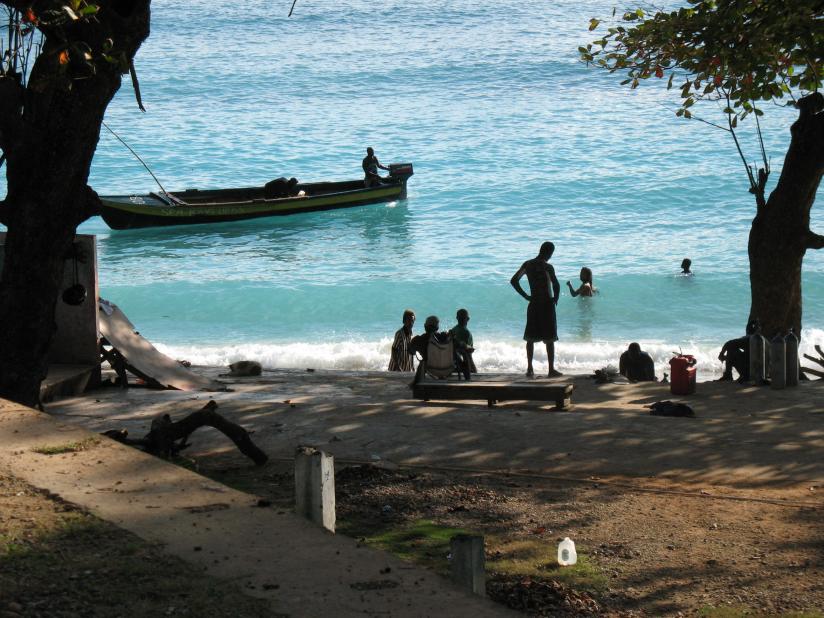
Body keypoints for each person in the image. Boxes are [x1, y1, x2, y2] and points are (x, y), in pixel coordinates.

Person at [511, 241, 562, 378]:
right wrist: (555, 298)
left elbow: (514, 280)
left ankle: (530, 369)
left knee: (530, 338)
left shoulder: (528, 264)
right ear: (550, 253)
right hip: (546, 304)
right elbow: (556, 284)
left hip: (533, 303)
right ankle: (551, 370)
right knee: (550, 338)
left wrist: (526, 296)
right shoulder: (547, 267)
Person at [449, 308, 477, 379]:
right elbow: (467, 351)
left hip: (455, 360)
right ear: (468, 319)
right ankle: (473, 372)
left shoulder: (453, 330)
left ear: (457, 318)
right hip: (462, 359)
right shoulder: (466, 333)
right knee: (469, 355)